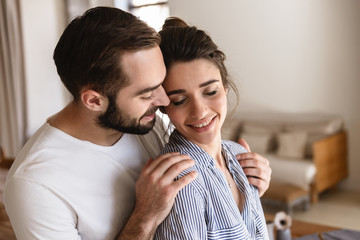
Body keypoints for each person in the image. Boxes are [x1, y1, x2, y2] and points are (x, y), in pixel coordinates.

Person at [4, 7, 270, 240]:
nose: (164, 100)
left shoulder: (142, 120)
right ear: (94, 100)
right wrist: (145, 215)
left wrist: (241, 175)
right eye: (147, 92)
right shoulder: (35, 184)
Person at [154, 17, 269, 239]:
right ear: (164, 107)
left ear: (225, 88)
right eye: (179, 99)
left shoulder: (239, 155)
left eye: (210, 92)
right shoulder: (183, 181)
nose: (199, 112)